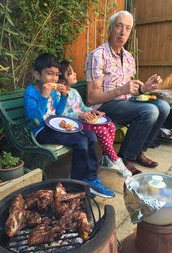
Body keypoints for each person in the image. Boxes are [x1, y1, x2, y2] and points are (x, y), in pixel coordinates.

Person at [85, 10, 170, 175]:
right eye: (119, 26)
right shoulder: (98, 56)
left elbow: (131, 93)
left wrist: (144, 88)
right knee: (150, 111)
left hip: (126, 103)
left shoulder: (129, 57)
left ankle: (137, 151)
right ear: (110, 29)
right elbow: (91, 98)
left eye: (127, 28)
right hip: (104, 106)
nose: (123, 32)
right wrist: (121, 90)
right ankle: (124, 157)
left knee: (164, 106)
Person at [23, 53, 115, 198]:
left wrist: (64, 96)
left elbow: (58, 111)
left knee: (90, 135)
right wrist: (44, 97)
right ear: (37, 75)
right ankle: (75, 185)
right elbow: (34, 118)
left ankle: (91, 178)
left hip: (55, 125)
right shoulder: (31, 92)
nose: (53, 78)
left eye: (56, 74)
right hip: (41, 131)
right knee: (80, 142)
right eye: (49, 74)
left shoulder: (53, 91)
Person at [59, 60, 132, 178]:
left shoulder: (74, 92)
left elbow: (82, 107)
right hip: (75, 124)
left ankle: (105, 158)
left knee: (110, 125)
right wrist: (79, 115)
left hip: (84, 120)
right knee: (102, 130)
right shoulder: (59, 95)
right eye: (71, 73)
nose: (75, 73)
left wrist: (92, 111)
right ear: (62, 81)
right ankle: (116, 160)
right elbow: (61, 114)